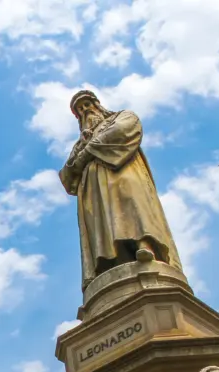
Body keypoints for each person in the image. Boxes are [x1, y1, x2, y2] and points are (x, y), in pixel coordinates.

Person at [58, 90, 182, 292]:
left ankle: (145, 246)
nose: (85, 110)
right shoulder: (79, 142)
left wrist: (87, 151)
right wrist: (81, 150)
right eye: (79, 109)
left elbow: (124, 130)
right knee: (103, 224)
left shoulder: (122, 116)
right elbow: (67, 174)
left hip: (123, 172)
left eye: (87, 104)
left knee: (133, 206)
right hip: (94, 190)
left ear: (97, 104)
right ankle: (110, 263)